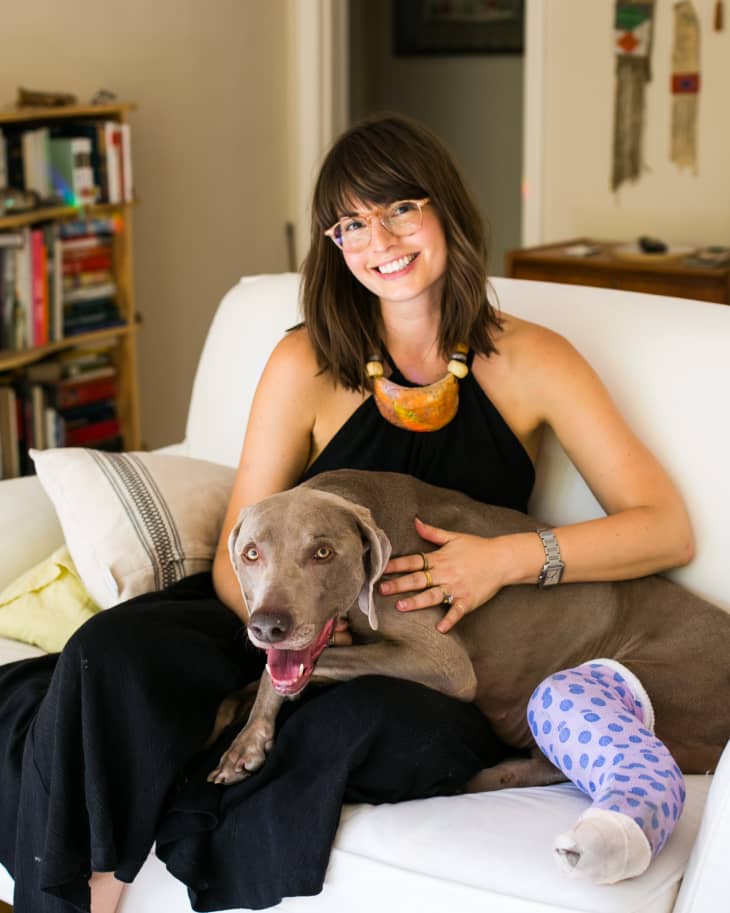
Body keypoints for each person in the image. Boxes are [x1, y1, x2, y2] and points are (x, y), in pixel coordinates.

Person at [0, 114, 693, 913]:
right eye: (352, 224)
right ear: (334, 244)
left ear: (447, 212)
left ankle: (200, 787)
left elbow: (663, 525)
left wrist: (506, 558)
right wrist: (287, 640)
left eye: (401, 208)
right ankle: (85, 894)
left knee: (364, 727)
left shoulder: (532, 359)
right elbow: (237, 555)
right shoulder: (305, 361)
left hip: (422, 653)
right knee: (106, 653)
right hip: (277, 618)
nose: (381, 240)